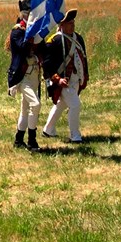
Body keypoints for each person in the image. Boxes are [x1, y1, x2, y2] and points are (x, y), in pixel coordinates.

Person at [42, 9, 89, 143]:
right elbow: (47, 64)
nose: (72, 25)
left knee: (61, 105)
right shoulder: (54, 40)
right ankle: (75, 136)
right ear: (61, 25)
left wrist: (85, 76)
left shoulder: (78, 38)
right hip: (63, 81)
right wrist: (57, 79)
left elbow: (83, 58)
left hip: (75, 80)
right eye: (69, 23)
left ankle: (48, 130)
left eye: (73, 22)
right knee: (75, 105)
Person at [7, 0, 42, 150]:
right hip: (22, 76)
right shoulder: (17, 31)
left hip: (34, 74)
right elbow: (22, 48)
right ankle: (32, 140)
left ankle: (18, 139)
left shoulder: (32, 31)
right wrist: (31, 34)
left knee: (25, 108)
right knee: (36, 104)